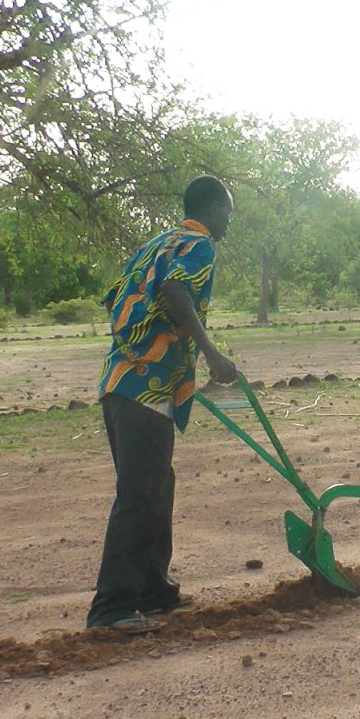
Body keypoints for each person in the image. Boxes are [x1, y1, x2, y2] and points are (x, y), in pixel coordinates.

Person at [87, 175, 239, 634]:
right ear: (212, 210)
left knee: (157, 487)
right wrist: (211, 353)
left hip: (124, 384)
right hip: (145, 388)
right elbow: (174, 292)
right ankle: (111, 608)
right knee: (139, 494)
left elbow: (119, 298)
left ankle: (154, 590)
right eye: (227, 214)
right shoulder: (199, 244)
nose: (228, 223)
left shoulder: (158, 242)